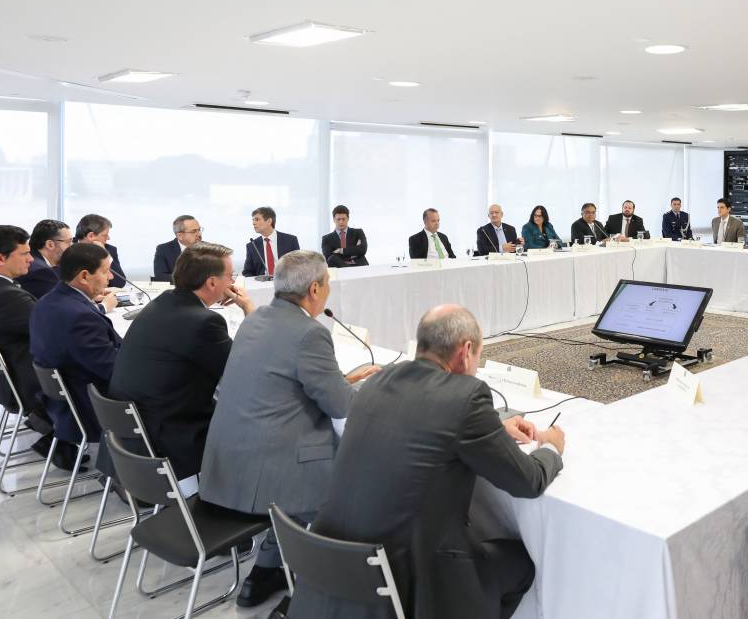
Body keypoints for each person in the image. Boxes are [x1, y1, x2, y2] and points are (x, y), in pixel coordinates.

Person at [290, 305, 565, 619]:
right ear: (466, 351)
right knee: (520, 563)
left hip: (333, 561)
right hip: (411, 576)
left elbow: (416, 422)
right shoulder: (468, 395)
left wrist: (493, 429)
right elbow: (526, 481)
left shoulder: (378, 382)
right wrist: (551, 447)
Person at [199, 250, 380, 610]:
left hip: (226, 461)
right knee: (358, 467)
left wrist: (340, 380)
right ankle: (319, 586)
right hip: (267, 472)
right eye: (327, 284)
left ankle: (266, 569)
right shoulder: (310, 334)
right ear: (314, 289)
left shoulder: (256, 319)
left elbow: (281, 383)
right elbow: (341, 406)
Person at [109, 243, 254, 482]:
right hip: (174, 438)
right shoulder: (203, 322)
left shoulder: (164, 302)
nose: (232, 283)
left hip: (136, 436)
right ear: (211, 283)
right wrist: (248, 307)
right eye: (230, 276)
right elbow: (246, 371)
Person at [29, 243, 121, 464]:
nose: (110, 277)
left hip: (64, 399)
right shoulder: (79, 316)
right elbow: (112, 370)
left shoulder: (47, 302)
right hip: (89, 403)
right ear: (84, 276)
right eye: (105, 270)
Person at [0, 226, 57, 461]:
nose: (31, 258)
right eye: (24, 253)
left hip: (11, 379)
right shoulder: (6, 296)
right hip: (32, 384)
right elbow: (53, 331)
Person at [17, 219, 72, 299]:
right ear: (50, 244)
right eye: (68, 242)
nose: (72, 246)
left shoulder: (41, 262)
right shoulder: (40, 272)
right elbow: (60, 304)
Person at [243, 206, 301, 277]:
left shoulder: (291, 240)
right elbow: (247, 272)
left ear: (269, 221)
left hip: (286, 284)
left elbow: (299, 267)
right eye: (253, 220)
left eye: (257, 219)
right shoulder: (252, 245)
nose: (253, 223)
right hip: (262, 285)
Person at [74, 214, 127, 288]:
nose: (108, 238)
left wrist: (105, 254)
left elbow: (120, 283)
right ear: (91, 236)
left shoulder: (109, 250)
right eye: (105, 235)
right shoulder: (68, 250)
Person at [153, 215, 202, 282]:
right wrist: (189, 280)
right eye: (194, 231)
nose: (199, 234)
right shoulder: (163, 249)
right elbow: (160, 276)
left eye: (199, 230)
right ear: (180, 235)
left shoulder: (210, 249)